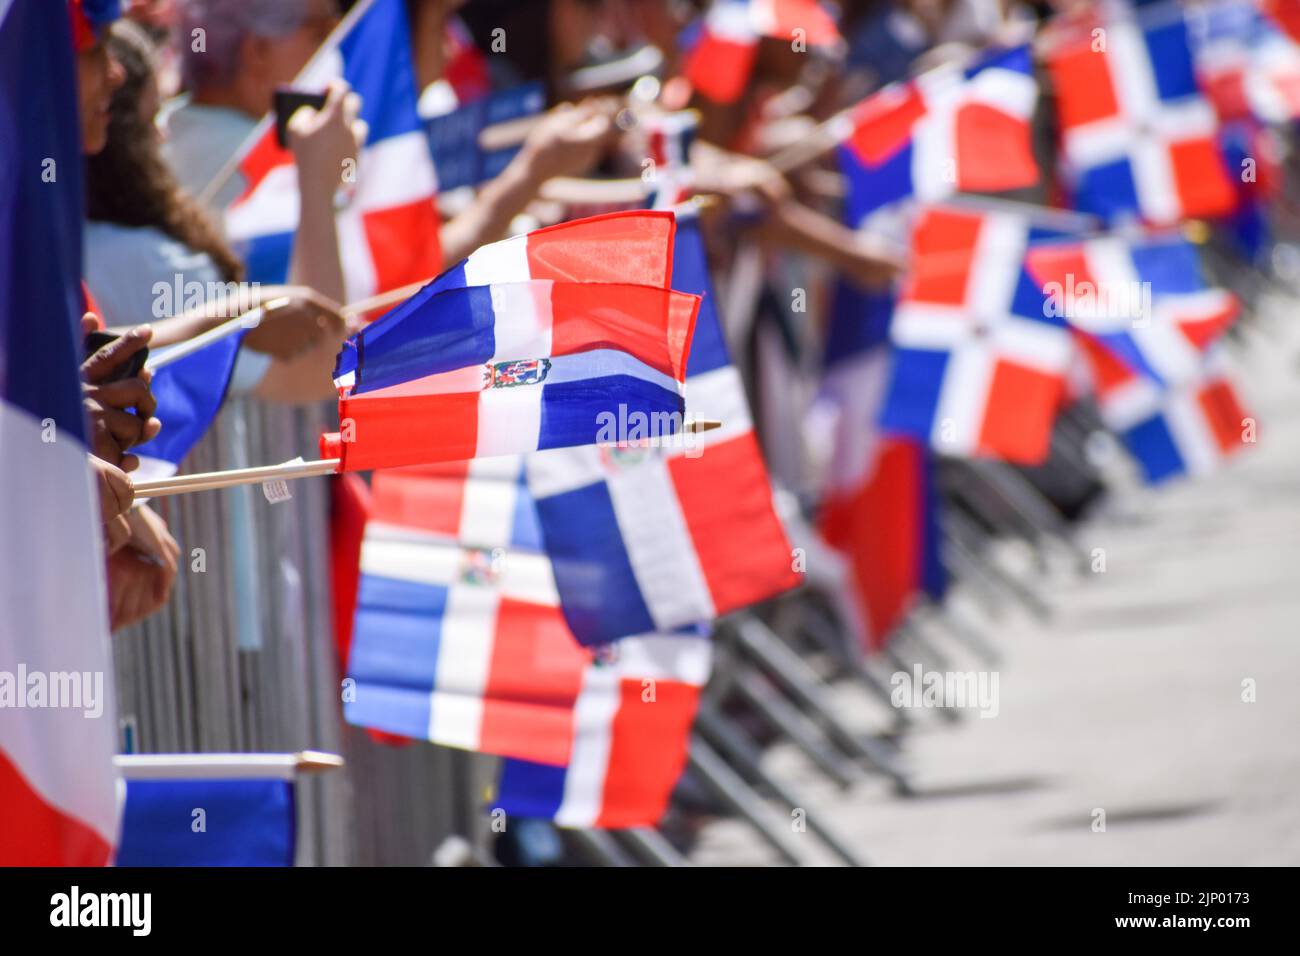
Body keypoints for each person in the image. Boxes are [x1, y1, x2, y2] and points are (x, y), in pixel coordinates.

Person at [85, 20, 353, 405]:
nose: (163, 135)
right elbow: (320, 368)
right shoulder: (148, 259)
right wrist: (316, 183)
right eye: (152, 117)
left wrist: (232, 317)